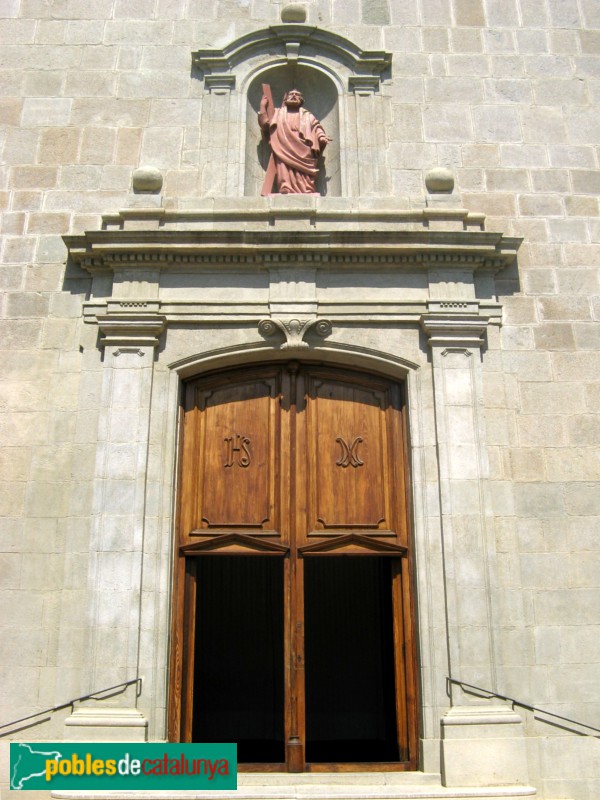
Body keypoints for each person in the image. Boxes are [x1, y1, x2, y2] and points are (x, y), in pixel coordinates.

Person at [258, 88, 331, 195]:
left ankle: (306, 189)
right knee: (284, 167)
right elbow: (265, 125)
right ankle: (285, 187)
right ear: (286, 98)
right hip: (283, 144)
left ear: (301, 100)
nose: (293, 96)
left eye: (297, 95)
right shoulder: (277, 113)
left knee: (304, 173)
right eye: (291, 94)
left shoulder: (308, 115)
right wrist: (263, 107)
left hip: (303, 146)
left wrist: (321, 137)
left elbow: (316, 127)